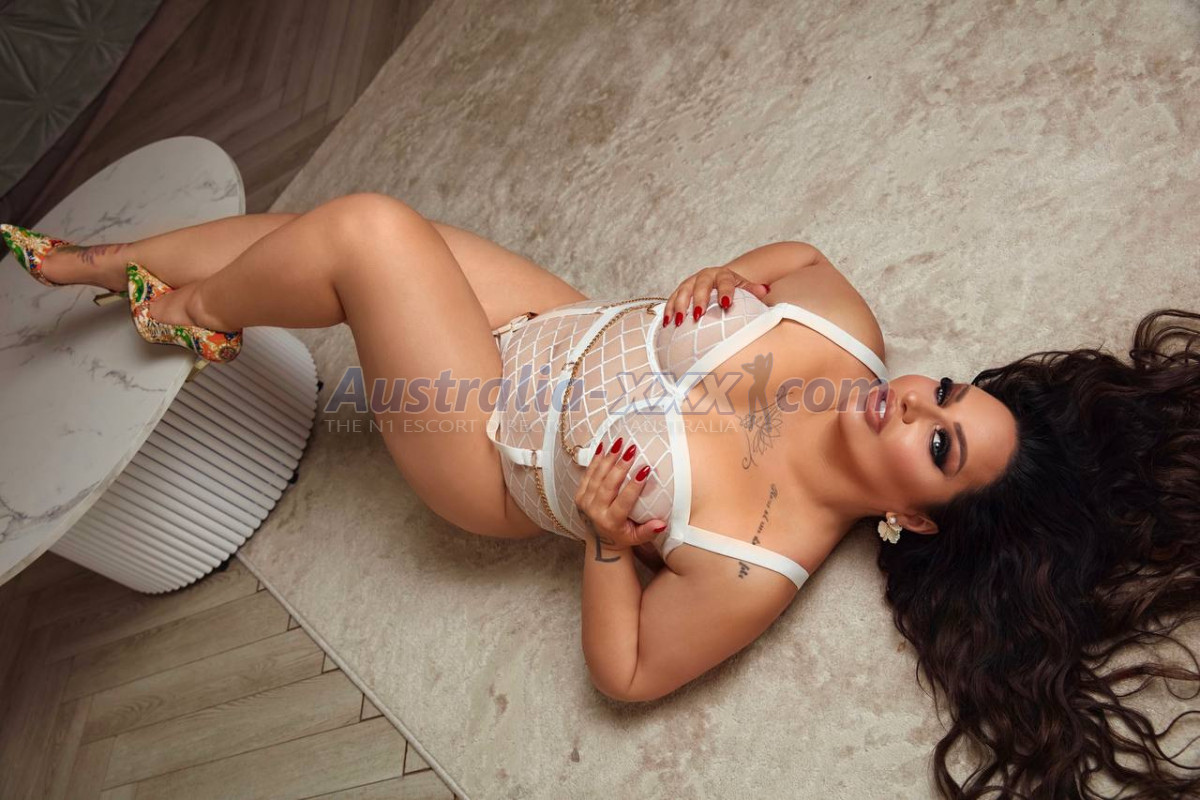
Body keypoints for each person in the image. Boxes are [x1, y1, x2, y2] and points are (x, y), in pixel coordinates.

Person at [4, 194, 1197, 798]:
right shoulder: (845, 332)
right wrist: (729, 273)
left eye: (939, 445)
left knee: (368, 235)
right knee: (335, 231)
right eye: (948, 393)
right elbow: (797, 255)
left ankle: (194, 313)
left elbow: (625, 673)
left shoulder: (759, 557)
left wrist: (606, 540)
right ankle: (91, 265)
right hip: (555, 321)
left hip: (486, 441)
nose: (915, 402)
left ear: (917, 518)